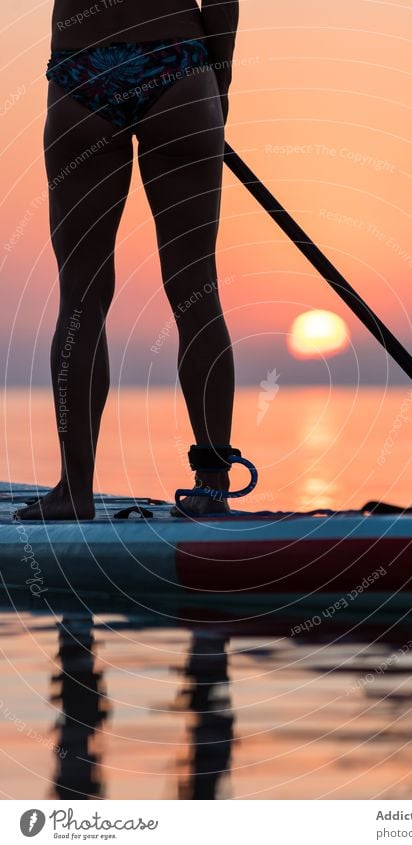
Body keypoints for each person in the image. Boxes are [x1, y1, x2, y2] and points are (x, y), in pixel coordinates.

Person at [16, 1, 240, 520]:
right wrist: (216, 88)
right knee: (195, 287)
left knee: (81, 293)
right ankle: (211, 486)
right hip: (177, 63)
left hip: (81, 68)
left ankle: (75, 490)